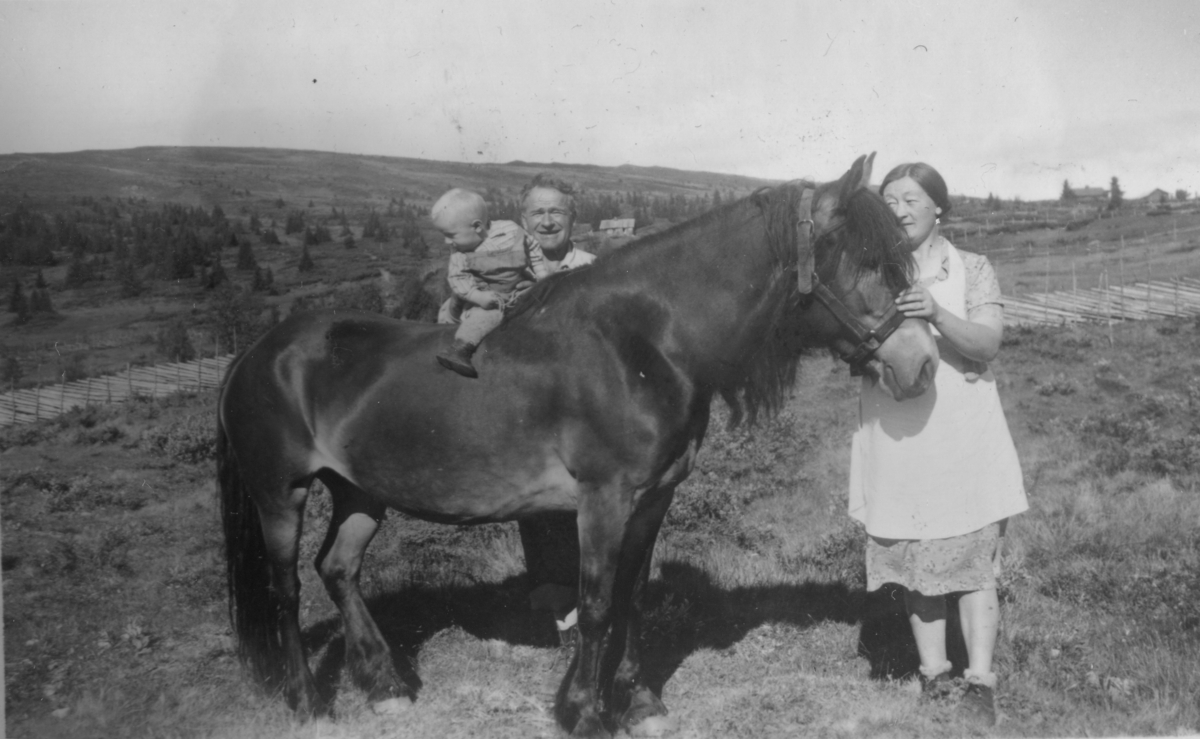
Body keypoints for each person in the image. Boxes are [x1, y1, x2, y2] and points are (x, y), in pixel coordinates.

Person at [849, 162, 1028, 726]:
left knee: (973, 563)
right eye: (889, 201)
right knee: (916, 556)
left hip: (961, 434)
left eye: (910, 199)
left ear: (937, 208)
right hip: (898, 434)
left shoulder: (972, 268)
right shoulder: (868, 273)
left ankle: (980, 682)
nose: (899, 210)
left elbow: (988, 343)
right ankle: (933, 677)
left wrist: (936, 313)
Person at [511, 174, 595, 641]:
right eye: (538, 213)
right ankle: (555, 604)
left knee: (582, 505)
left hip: (580, 404)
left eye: (556, 212)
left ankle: (583, 604)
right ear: (524, 220)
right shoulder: (505, 267)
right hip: (525, 404)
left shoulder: (595, 267)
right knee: (535, 506)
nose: (547, 221)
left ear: (572, 218)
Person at [432, 188, 549, 378]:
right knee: (485, 317)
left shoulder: (511, 231)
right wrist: (477, 297)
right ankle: (460, 349)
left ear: (477, 227)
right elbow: (458, 279)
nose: (447, 242)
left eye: (451, 235)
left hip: (520, 290)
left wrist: (541, 274)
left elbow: (533, 247)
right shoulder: (460, 254)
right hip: (488, 297)